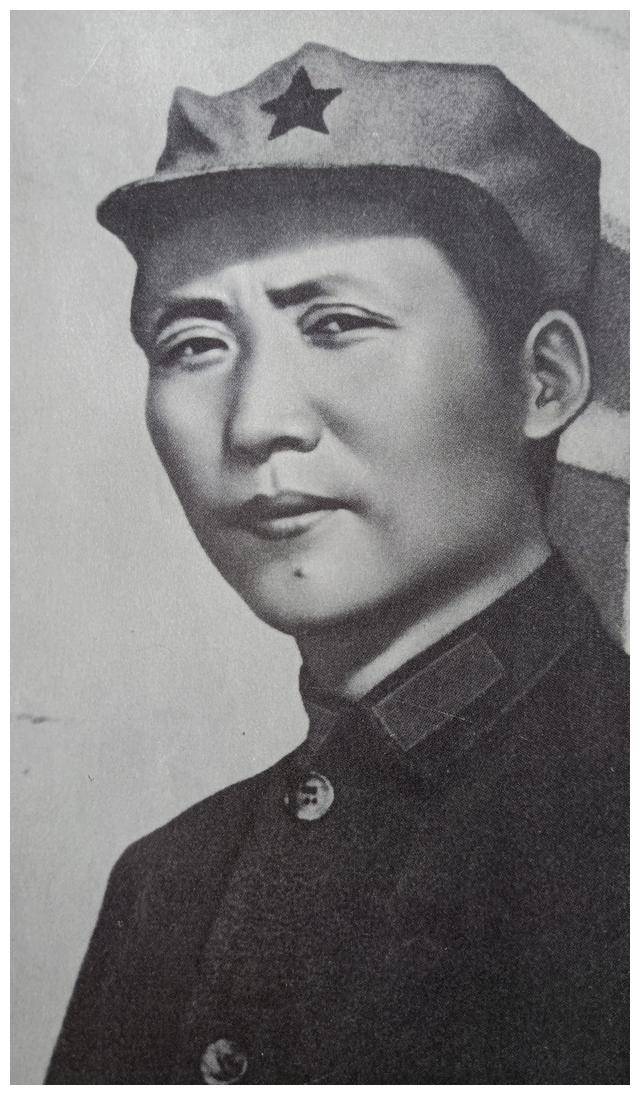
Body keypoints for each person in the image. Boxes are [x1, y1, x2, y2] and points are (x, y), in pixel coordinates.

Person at [46, 43, 628, 1084]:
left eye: (338, 324)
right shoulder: (165, 887)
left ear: (542, 380)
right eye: (193, 344)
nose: (255, 423)